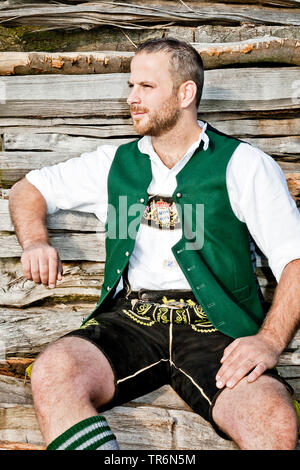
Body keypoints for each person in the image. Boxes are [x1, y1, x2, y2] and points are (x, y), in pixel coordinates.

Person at [9, 38, 300, 451]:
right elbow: (28, 189)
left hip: (215, 330)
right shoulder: (114, 163)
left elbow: (296, 260)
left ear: (186, 93)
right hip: (133, 319)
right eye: (131, 86)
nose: (132, 98)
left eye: (146, 87)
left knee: (273, 420)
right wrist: (36, 241)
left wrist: (269, 341)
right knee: (55, 371)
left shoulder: (244, 165)